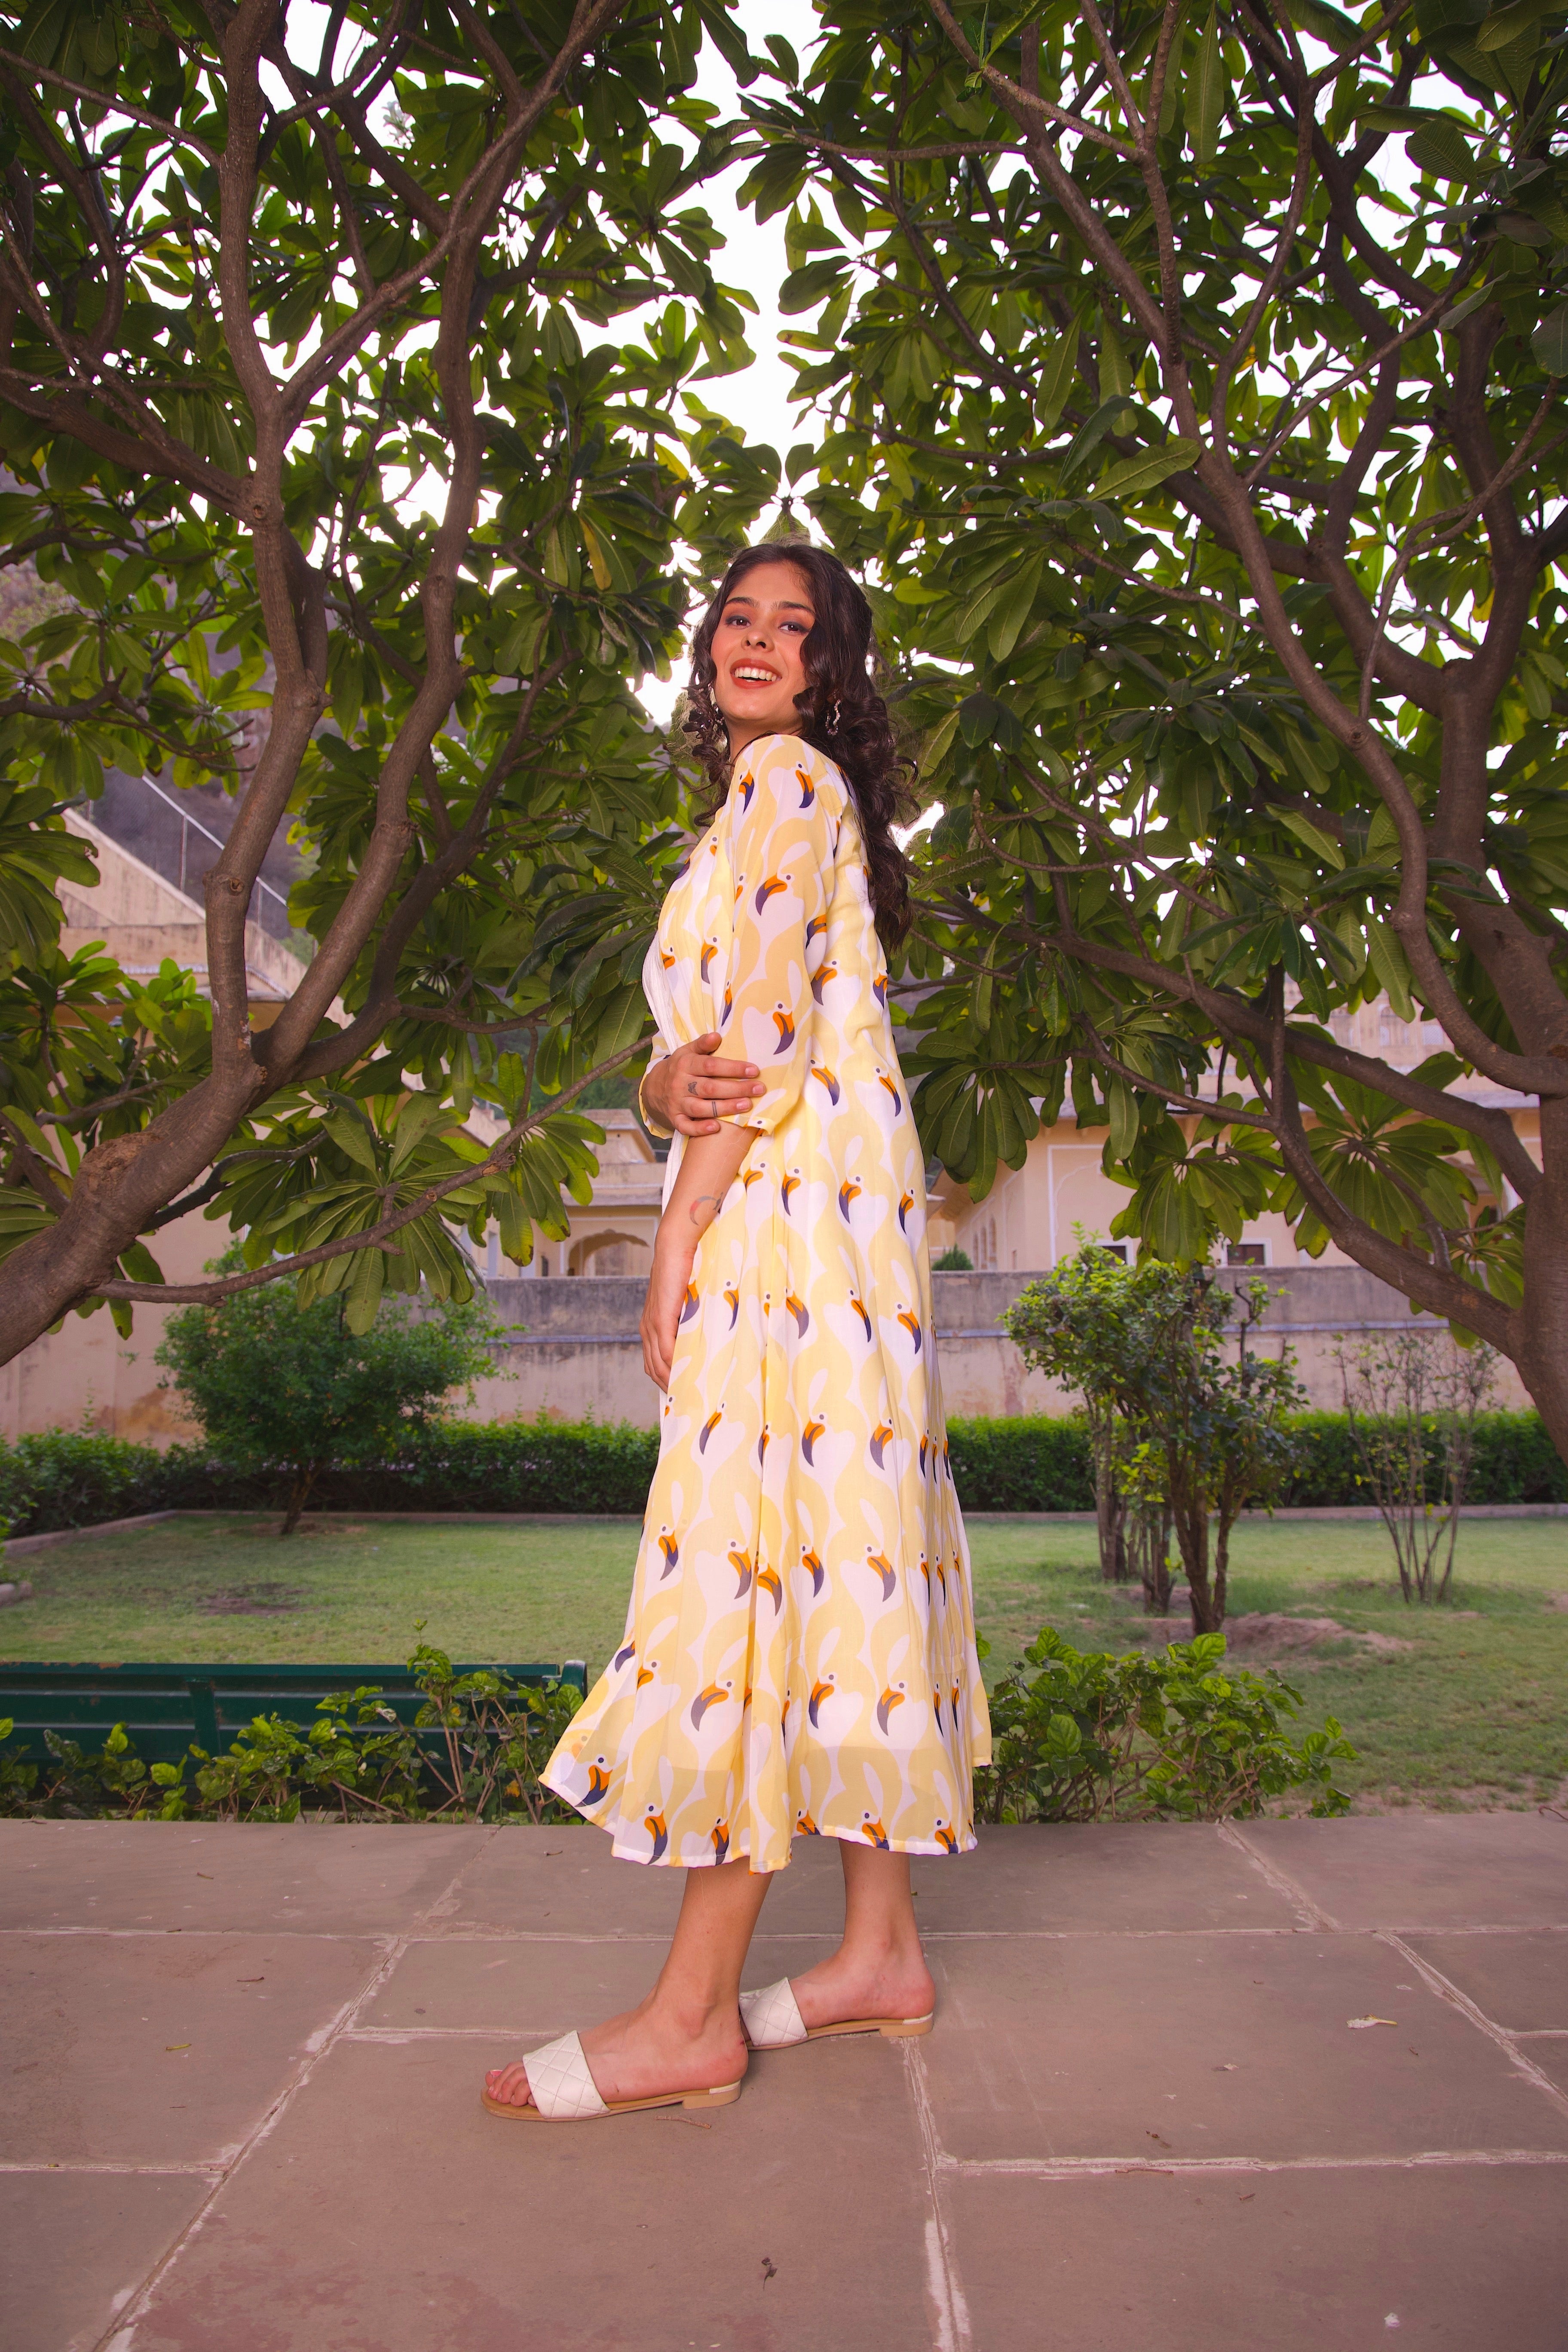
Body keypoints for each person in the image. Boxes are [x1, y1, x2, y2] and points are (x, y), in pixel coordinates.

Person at [483, 540, 991, 2124]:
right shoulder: (758, 809)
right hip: (831, 1223)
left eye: (797, 627)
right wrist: (654, 1094)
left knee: (748, 1565)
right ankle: (877, 1954)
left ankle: (694, 2011)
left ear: (831, 670)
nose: (757, 641)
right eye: (738, 617)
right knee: (838, 1550)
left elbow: (757, 1043)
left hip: (787, 1226)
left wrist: (677, 1230)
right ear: (708, 647)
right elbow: (700, 1052)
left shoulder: (787, 784)